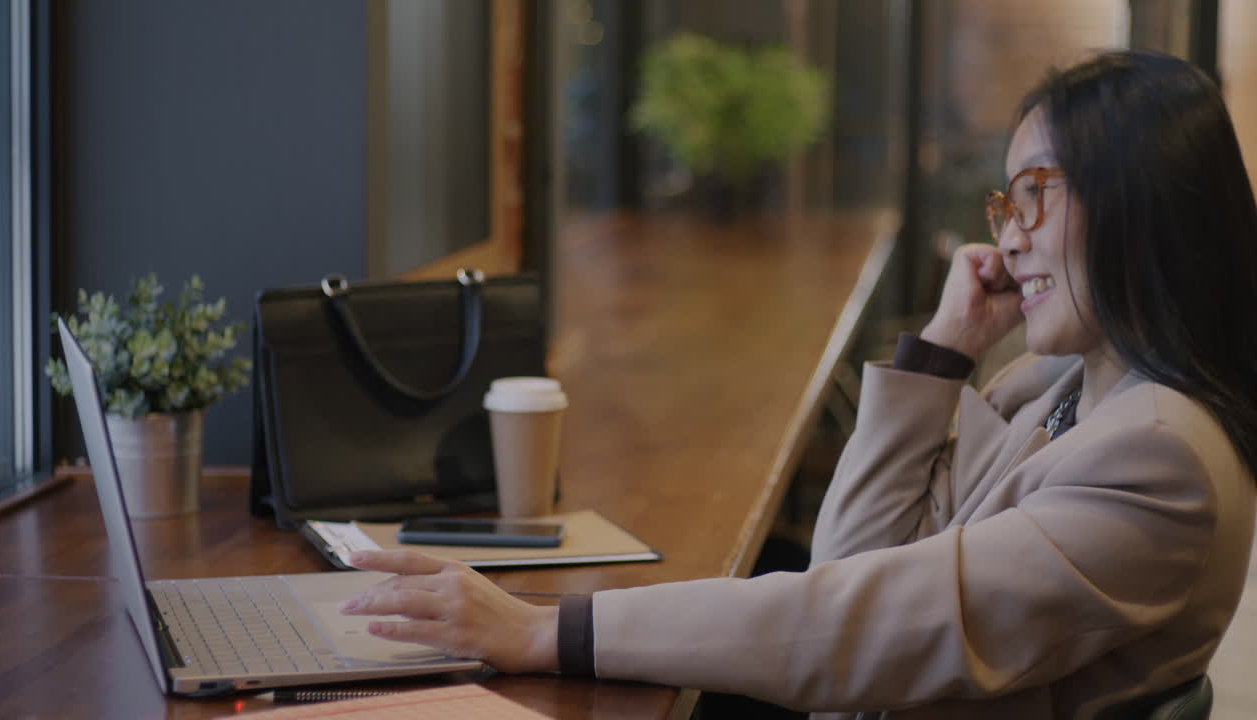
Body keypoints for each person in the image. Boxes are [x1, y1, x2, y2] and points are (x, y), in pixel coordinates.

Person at [337, 51, 1257, 719]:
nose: (1009, 238)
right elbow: (850, 564)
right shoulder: (1058, 383)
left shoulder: (1157, 455)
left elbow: (870, 623)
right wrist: (943, 351)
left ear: (1136, 199)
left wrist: (550, 630)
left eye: (1034, 196)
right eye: (1004, 205)